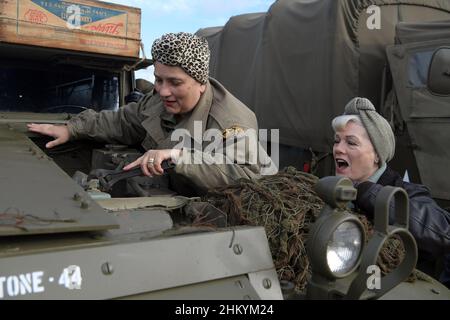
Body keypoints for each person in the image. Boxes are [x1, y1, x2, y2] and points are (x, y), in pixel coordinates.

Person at [27, 32, 260, 194]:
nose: (163, 91)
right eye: (158, 80)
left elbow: (249, 178)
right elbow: (123, 120)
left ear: (200, 82)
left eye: (175, 82)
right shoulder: (158, 100)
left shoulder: (231, 121)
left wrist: (179, 158)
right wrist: (72, 129)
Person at [332, 97, 450, 278]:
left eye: (351, 142)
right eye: (336, 141)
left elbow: (442, 232)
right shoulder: (332, 189)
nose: (338, 149)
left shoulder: (408, 192)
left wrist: (371, 194)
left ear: (377, 156)